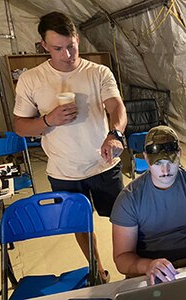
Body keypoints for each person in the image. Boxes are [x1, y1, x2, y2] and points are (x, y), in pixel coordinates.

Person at [13, 11, 127, 283]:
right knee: (81, 224)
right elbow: (19, 126)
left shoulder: (98, 72)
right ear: (43, 45)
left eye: (71, 46)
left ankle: (129, 264)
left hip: (104, 163)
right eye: (57, 48)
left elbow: (116, 107)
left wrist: (115, 134)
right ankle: (98, 271)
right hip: (64, 170)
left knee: (123, 219)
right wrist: (48, 119)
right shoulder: (31, 80)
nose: (67, 54)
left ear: (77, 38)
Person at [110, 125, 186, 284]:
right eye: (158, 162)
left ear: (180, 154)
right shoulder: (129, 199)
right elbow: (122, 257)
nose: (165, 169)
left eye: (171, 161)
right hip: (148, 269)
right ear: (146, 158)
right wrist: (147, 266)